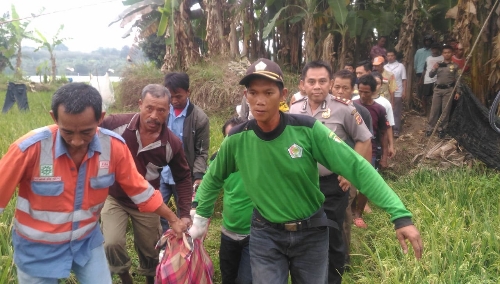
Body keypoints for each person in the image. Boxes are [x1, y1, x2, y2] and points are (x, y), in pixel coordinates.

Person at [189, 58, 422, 284]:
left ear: (283, 95)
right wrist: (200, 216)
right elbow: (213, 177)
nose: (259, 100)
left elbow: (357, 166)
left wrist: (399, 215)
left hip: (311, 232)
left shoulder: (307, 130)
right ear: (245, 96)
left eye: (268, 93)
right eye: (253, 92)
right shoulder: (237, 139)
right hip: (265, 233)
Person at [0, 83, 186, 284]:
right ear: (54, 117)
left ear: (100, 118)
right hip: (37, 250)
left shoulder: (113, 147)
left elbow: (139, 189)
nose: (77, 141)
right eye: (68, 132)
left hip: (85, 243)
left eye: (87, 132)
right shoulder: (29, 149)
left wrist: (173, 219)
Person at [100, 84, 193, 284]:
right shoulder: (116, 125)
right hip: (115, 196)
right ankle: (125, 277)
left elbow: (183, 177)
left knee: (151, 248)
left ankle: (151, 279)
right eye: (149, 108)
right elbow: (88, 129)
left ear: (168, 110)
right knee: (111, 243)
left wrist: (184, 214)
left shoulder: (171, 143)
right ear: (140, 104)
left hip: (149, 201)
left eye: (161, 110)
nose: (154, 115)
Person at [289, 62, 372, 284]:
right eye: (312, 81)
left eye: (322, 81)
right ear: (302, 84)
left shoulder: (344, 109)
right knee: (304, 235)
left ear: (331, 84)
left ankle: (333, 279)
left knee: (332, 235)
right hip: (302, 186)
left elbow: (364, 140)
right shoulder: (294, 109)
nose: (317, 86)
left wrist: (350, 172)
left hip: (332, 185)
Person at [193, 116, 253, 284]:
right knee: (228, 276)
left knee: (246, 280)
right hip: (229, 231)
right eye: (229, 138)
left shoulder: (259, 158)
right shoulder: (218, 160)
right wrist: (195, 206)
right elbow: (207, 184)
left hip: (255, 232)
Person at [329, 69, 373, 268]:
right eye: (336, 87)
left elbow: (366, 143)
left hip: (348, 172)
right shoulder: (324, 108)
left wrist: (355, 173)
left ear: (352, 89)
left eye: (344, 88)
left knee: (345, 214)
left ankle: (344, 259)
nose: (339, 91)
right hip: (327, 173)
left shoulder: (359, 112)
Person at [159, 72, 210, 232]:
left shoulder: (199, 118)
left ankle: (183, 249)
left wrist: (198, 175)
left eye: (178, 96)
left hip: (184, 176)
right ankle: (164, 243)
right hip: (162, 173)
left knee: (185, 216)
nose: (174, 101)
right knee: (157, 211)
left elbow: (201, 152)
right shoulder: (162, 112)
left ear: (188, 92)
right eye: (170, 96)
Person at [352, 75, 391, 230]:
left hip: (371, 151)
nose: (362, 95)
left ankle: (358, 214)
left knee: (365, 184)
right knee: (348, 183)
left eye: (366, 92)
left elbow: (383, 133)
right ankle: (349, 211)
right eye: (360, 91)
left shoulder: (379, 109)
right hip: (351, 148)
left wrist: (385, 156)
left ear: (374, 91)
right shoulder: (351, 105)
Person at [426, 45, 460, 139]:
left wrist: (458, 92)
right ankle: (430, 128)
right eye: (445, 52)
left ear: (452, 53)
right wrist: (434, 68)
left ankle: (442, 129)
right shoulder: (439, 64)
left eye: (448, 52)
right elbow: (431, 75)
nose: (447, 54)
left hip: (449, 90)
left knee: (445, 111)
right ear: (442, 54)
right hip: (437, 89)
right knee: (434, 110)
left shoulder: (455, 66)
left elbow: (458, 79)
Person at [384, 50, 407, 137]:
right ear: (386, 57)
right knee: (386, 110)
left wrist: (404, 91)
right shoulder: (385, 67)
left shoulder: (400, 66)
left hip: (397, 91)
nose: (390, 57)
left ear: (395, 56)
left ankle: (396, 130)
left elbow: (404, 80)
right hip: (387, 92)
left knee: (396, 111)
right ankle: (387, 128)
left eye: (392, 55)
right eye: (388, 55)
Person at [421, 43, 444, 116]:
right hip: (427, 79)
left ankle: (435, 113)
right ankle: (425, 111)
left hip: (437, 80)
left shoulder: (442, 58)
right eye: (433, 49)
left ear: (438, 49)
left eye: (436, 48)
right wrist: (421, 79)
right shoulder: (428, 58)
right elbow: (425, 69)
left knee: (435, 97)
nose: (434, 50)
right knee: (424, 96)